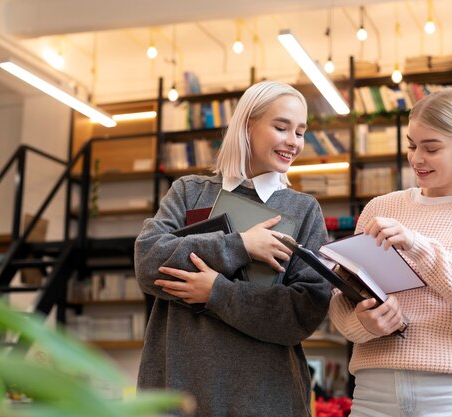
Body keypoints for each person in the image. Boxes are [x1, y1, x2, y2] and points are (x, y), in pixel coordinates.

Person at [328, 87, 452, 417]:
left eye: (431, 148)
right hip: (373, 395)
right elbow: (341, 300)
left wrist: (419, 247)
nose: (416, 158)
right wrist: (365, 325)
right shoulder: (380, 208)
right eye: (411, 145)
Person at [134, 80, 331, 417]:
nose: (293, 142)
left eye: (300, 132)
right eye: (281, 127)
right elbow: (149, 261)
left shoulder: (303, 210)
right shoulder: (189, 192)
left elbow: (303, 312)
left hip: (265, 400)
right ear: (247, 125)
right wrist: (239, 245)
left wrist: (217, 292)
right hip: (178, 393)